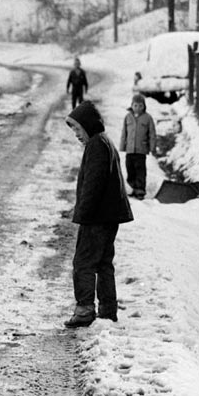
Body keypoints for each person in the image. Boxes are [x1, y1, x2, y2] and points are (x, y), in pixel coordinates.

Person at [63, 100, 133, 328]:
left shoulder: (96, 145)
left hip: (97, 217)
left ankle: (84, 310)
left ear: (88, 125)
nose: (75, 134)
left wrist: (82, 213)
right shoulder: (105, 142)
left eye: (77, 128)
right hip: (108, 215)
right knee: (103, 264)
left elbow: (93, 184)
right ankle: (107, 310)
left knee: (83, 263)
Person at [119, 93, 157, 200]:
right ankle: (132, 187)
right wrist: (122, 146)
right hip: (130, 149)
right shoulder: (127, 117)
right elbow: (124, 133)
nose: (138, 108)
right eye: (135, 105)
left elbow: (152, 134)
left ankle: (140, 189)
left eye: (140, 106)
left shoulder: (147, 118)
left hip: (141, 149)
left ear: (144, 106)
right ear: (132, 105)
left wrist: (152, 147)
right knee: (130, 168)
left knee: (140, 169)